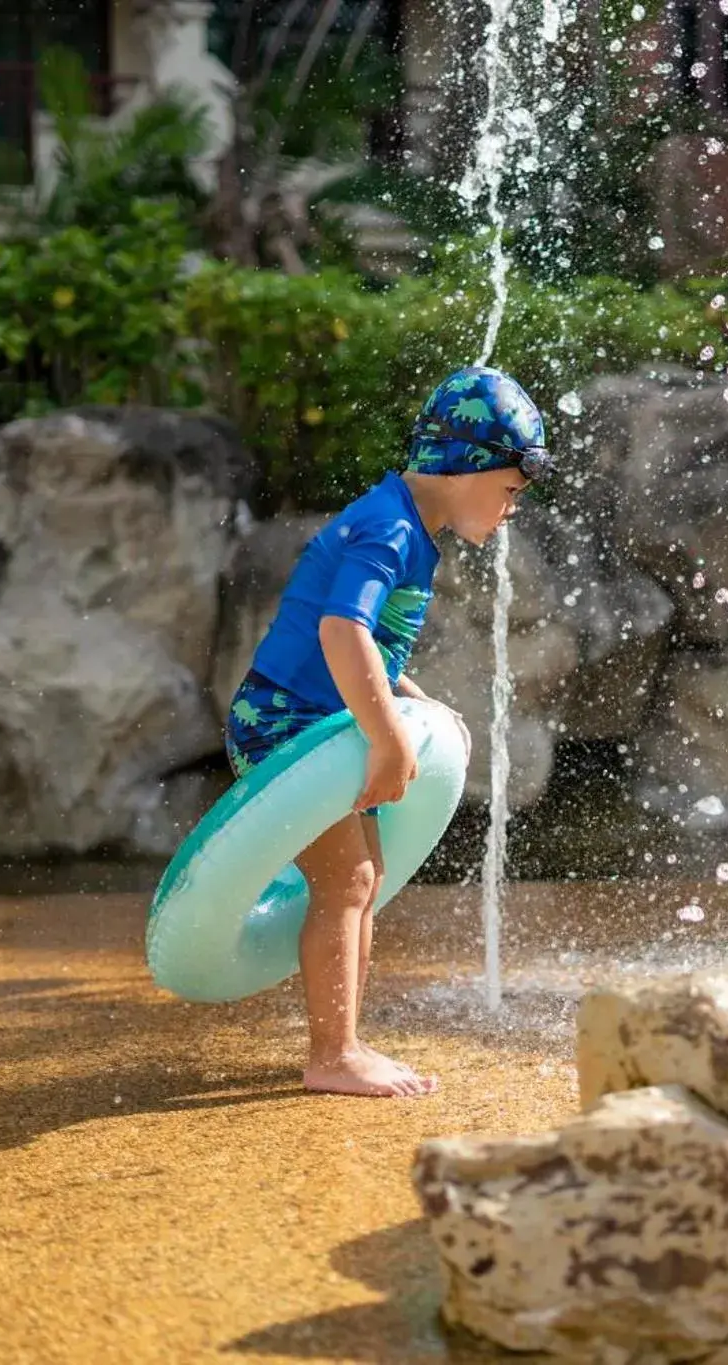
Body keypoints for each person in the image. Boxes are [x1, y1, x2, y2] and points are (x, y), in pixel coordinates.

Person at [225, 365, 551, 1097]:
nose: (510, 511)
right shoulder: (390, 527)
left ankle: (344, 1043)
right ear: (469, 465)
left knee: (360, 879)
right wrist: (390, 738)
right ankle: (332, 1054)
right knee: (346, 880)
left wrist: (409, 700)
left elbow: (363, 637)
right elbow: (342, 630)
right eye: (509, 491)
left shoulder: (401, 520)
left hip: (308, 715)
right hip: (285, 722)